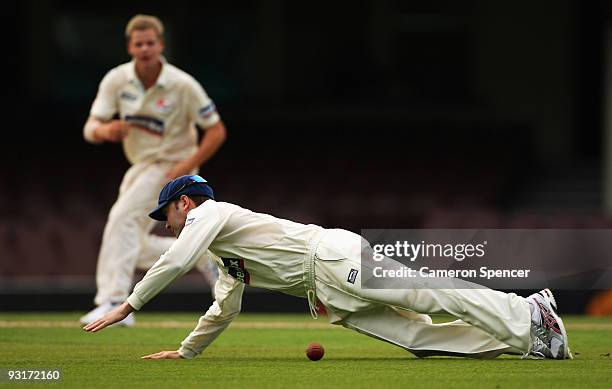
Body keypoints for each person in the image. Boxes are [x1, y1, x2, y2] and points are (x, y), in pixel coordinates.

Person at [84, 175, 573, 361]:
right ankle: (525, 340)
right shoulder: (225, 254)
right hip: (328, 295)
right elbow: (223, 308)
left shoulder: (211, 214)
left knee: (425, 293)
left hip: (333, 258)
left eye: (166, 215)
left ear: (184, 203)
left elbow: (177, 258)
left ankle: (527, 312)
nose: (166, 225)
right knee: (419, 339)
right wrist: (187, 353)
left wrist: (129, 302)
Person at [80, 14, 226, 327]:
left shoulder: (182, 85)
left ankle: (115, 301)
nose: (145, 49)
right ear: (130, 47)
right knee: (130, 239)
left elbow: (216, 131)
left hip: (172, 167)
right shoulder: (117, 80)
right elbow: (90, 127)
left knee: (122, 220)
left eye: (151, 43)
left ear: (160, 45)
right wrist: (105, 132)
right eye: (139, 44)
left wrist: (186, 167)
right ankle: (201, 252)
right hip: (140, 166)